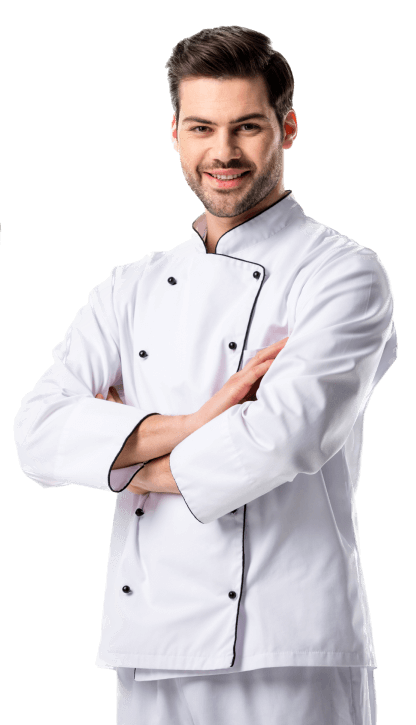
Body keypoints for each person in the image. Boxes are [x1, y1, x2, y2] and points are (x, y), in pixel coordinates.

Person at [14, 26, 397, 725]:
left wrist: (124, 462)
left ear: (287, 129)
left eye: (247, 127)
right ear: (175, 134)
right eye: (202, 128)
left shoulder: (342, 272)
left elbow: (284, 437)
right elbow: (37, 434)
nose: (223, 152)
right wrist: (197, 423)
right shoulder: (129, 287)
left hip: (289, 643)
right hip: (149, 639)